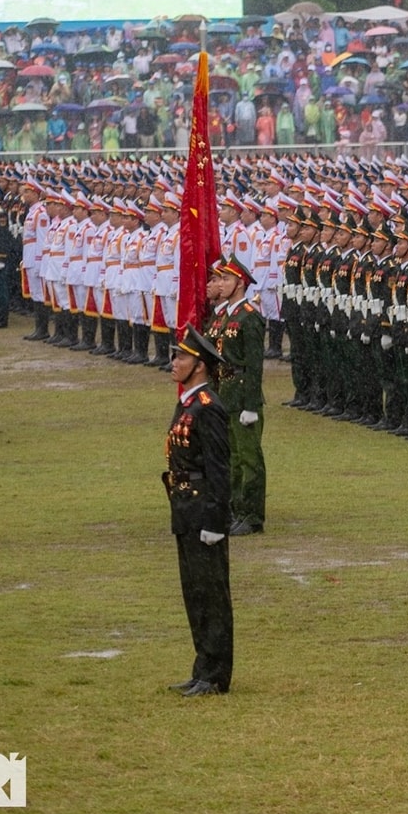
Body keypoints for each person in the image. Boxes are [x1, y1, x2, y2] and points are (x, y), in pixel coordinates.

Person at [163, 328, 234, 696]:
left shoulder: (208, 408)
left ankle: (216, 674)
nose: (174, 363)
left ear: (200, 365)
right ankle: (202, 667)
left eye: (182, 358)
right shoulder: (189, 402)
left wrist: (215, 521)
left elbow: (220, 470)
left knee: (211, 593)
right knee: (194, 592)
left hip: (203, 508)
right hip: (185, 506)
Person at [207, 257, 268, 535]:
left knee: (249, 458)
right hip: (225, 391)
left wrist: (252, 404)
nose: (221, 284)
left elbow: (254, 365)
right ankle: (233, 508)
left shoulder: (249, 316)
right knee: (230, 456)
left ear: (240, 283)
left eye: (227, 279)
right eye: (220, 279)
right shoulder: (223, 314)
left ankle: (252, 515)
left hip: (242, 393)